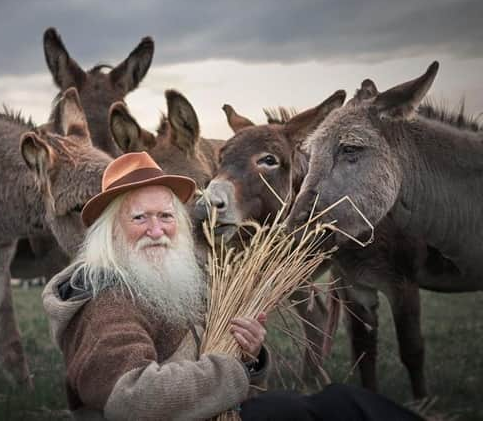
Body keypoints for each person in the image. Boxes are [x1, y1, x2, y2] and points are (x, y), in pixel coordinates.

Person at [43, 152, 423, 420]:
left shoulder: (161, 285)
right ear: (111, 232)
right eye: (139, 217)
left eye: (166, 217)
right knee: (340, 407)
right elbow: (132, 400)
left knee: (339, 405)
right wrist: (231, 371)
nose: (156, 230)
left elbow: (219, 376)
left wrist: (248, 356)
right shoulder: (108, 301)